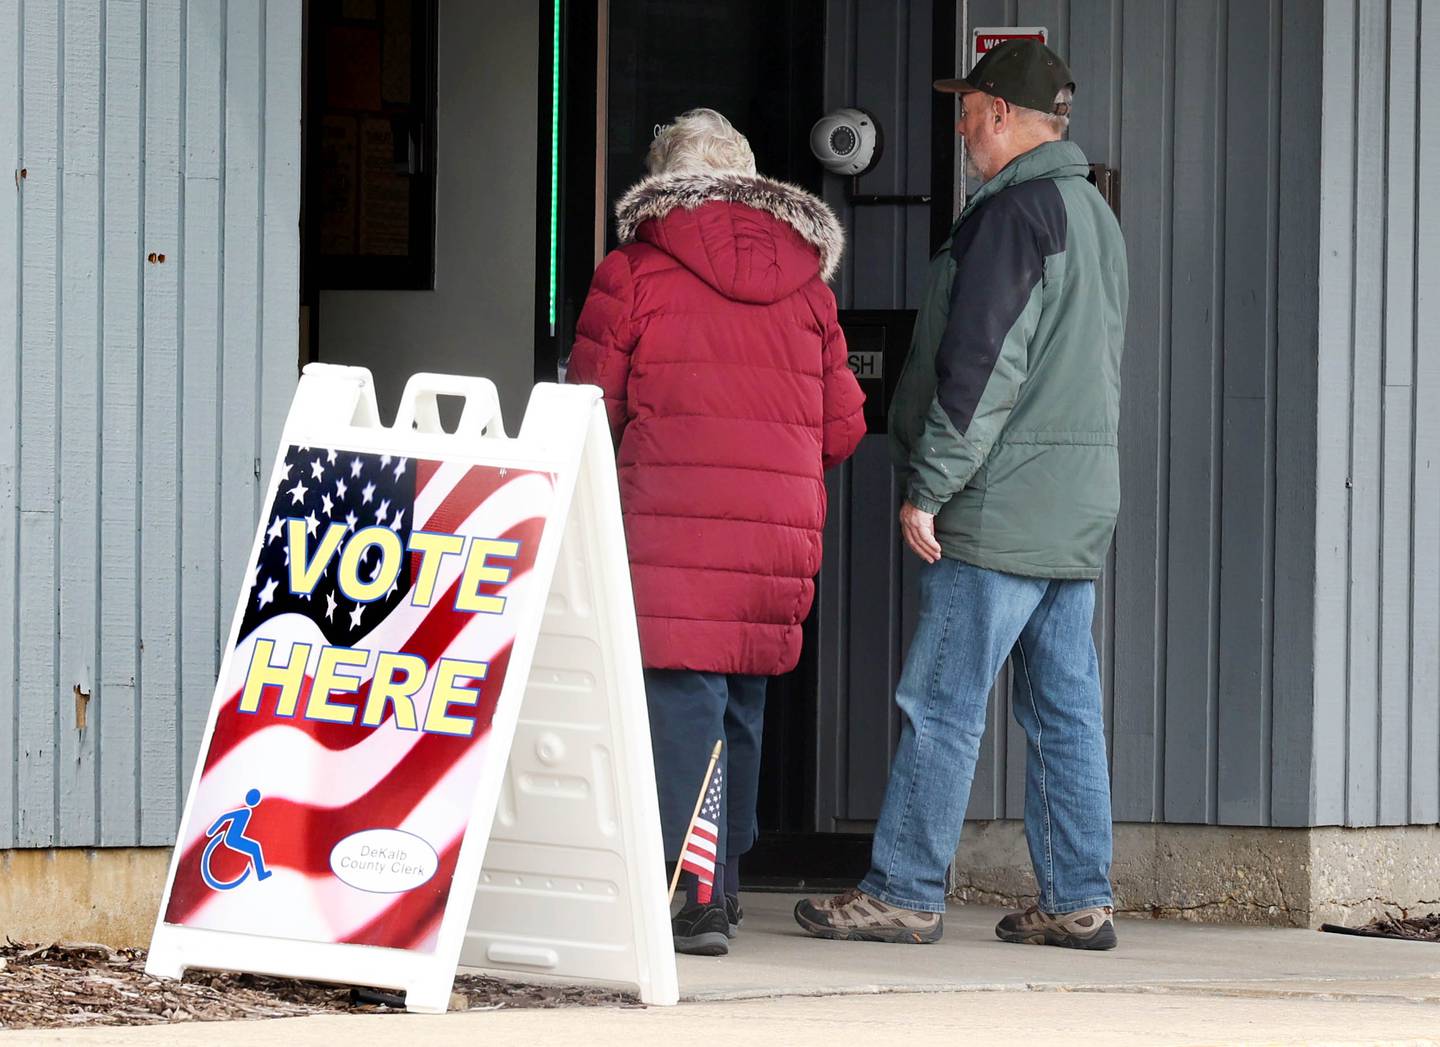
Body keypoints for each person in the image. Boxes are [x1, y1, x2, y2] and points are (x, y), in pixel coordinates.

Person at [794, 39, 1129, 949]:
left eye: (970, 109)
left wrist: (929, 488)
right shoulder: (1091, 215)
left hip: (998, 505)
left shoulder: (1015, 216)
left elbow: (981, 371)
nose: (961, 126)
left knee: (941, 702)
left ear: (1008, 117)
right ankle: (1078, 896)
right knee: (1064, 709)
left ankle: (903, 888)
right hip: (1070, 506)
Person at [567, 108, 865, 956]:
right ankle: (722, 879)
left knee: (682, 702)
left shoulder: (633, 272)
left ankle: (689, 892)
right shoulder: (810, 289)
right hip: (774, 536)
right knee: (740, 701)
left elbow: (592, 408)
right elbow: (843, 428)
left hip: (672, 523)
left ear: (663, 184)